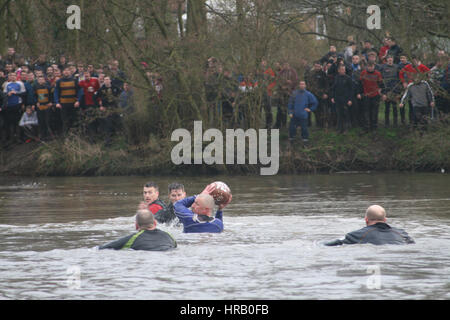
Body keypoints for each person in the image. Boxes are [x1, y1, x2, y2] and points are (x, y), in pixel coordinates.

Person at [325, 205, 415, 246]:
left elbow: (332, 244)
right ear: (385, 220)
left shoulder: (355, 235)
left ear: (366, 219)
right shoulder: (402, 234)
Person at [98, 209, 177, 251]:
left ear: (136, 225)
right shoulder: (169, 236)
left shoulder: (132, 238)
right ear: (155, 223)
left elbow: (102, 248)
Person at [53, 66, 83, 134]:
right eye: (65, 70)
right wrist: (57, 102)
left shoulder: (75, 80)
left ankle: (75, 136)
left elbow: (80, 91)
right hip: (63, 104)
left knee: (74, 120)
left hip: (73, 104)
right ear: (62, 72)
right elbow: (56, 92)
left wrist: (78, 101)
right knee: (65, 121)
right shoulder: (59, 81)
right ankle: (66, 137)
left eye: (68, 70)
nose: (66, 72)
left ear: (70, 72)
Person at [358, 63, 384, 132]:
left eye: (371, 66)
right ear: (367, 67)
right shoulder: (363, 73)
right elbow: (360, 84)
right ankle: (366, 127)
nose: (370, 68)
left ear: (374, 67)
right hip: (366, 95)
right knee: (366, 111)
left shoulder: (378, 74)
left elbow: (381, 84)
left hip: (375, 95)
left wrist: (381, 92)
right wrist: (360, 93)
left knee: (374, 112)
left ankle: (374, 127)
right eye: (369, 66)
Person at [381, 56, 403, 126]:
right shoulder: (383, 67)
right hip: (386, 89)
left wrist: (399, 91)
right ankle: (386, 123)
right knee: (387, 107)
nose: (390, 60)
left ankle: (395, 123)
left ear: (393, 59)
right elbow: (381, 79)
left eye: (391, 58)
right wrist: (383, 92)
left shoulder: (397, 67)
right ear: (386, 59)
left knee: (394, 107)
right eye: (388, 58)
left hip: (395, 89)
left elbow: (400, 78)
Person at [331, 64, 354, 133]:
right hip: (338, 99)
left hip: (346, 99)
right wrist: (332, 97)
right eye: (341, 69)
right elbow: (333, 88)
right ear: (338, 70)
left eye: (344, 69)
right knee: (339, 114)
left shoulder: (348, 78)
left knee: (345, 114)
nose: (343, 71)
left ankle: (346, 128)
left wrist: (350, 99)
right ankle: (339, 128)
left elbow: (351, 90)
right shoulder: (336, 77)